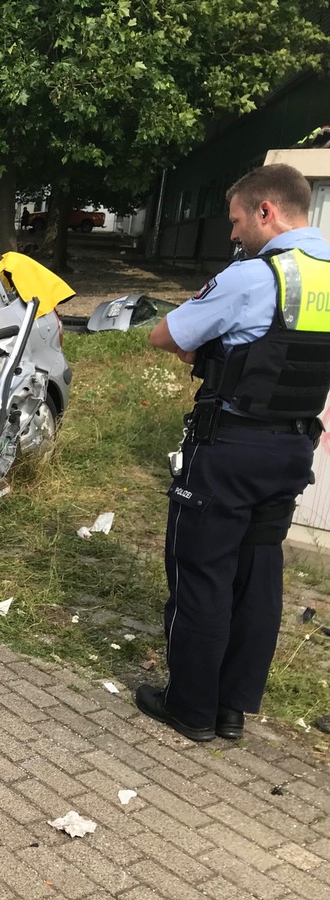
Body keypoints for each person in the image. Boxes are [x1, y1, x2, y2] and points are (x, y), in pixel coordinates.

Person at [139, 163, 330, 743]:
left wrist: (218, 358)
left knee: (203, 572)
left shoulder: (254, 276)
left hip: (231, 446)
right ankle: (230, 710)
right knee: (258, 575)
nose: (232, 234)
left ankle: (191, 708)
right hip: (294, 448)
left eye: (237, 219)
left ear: (266, 211)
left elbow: (165, 335)